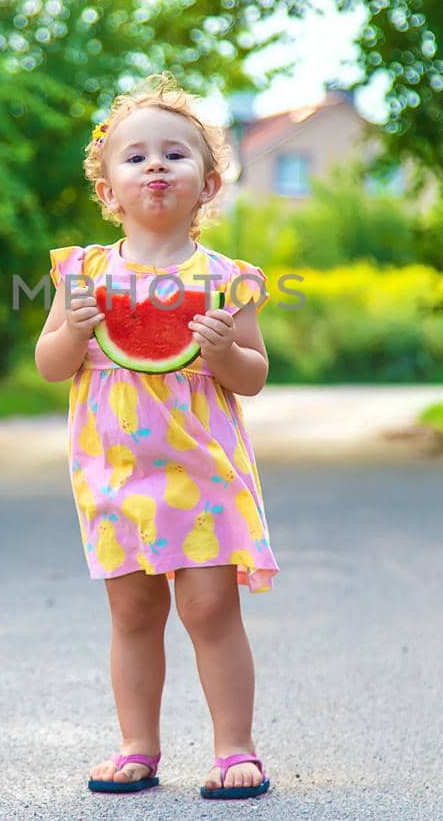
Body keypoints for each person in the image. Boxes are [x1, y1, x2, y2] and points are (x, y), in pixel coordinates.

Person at [34, 73, 279, 801]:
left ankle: (236, 747)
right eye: (135, 157)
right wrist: (73, 332)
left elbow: (255, 374)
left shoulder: (227, 279)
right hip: (113, 474)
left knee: (210, 607)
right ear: (108, 189)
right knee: (132, 612)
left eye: (175, 155)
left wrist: (224, 354)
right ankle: (137, 743)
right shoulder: (80, 274)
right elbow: (51, 365)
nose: (156, 166)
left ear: (207, 185)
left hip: (202, 472)